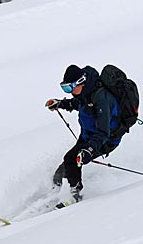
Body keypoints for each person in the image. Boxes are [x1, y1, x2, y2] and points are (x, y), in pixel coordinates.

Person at [45, 64, 122, 204]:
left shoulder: (101, 98)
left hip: (104, 141)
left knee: (71, 159)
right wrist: (60, 104)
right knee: (60, 174)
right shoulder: (85, 93)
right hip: (88, 137)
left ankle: (75, 196)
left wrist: (89, 150)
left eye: (69, 88)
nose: (68, 92)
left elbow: (104, 132)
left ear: (80, 82)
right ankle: (51, 197)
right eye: (64, 88)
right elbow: (78, 103)